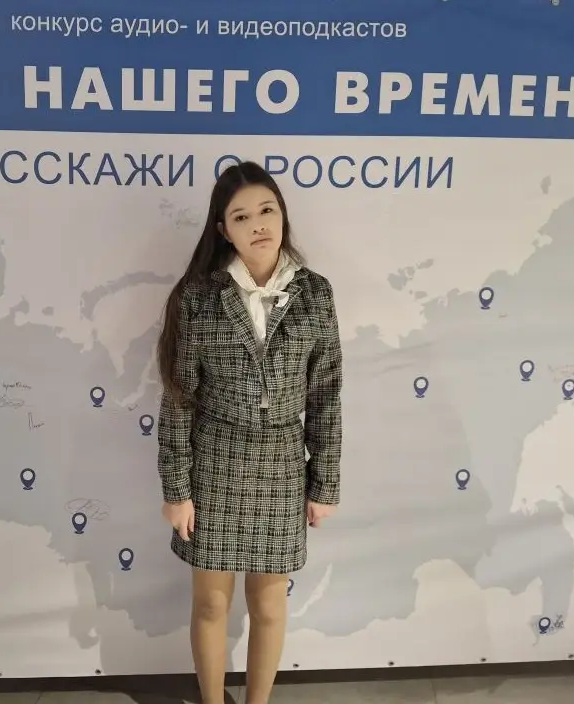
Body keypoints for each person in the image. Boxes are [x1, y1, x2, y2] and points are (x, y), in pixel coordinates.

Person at [155, 160, 343, 704]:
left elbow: (326, 395)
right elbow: (179, 399)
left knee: (269, 605)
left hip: (282, 467)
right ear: (223, 230)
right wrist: (176, 489)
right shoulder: (198, 297)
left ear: (283, 215)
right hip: (214, 465)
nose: (258, 224)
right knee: (211, 603)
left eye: (267, 210)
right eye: (241, 216)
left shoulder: (315, 294)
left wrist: (324, 483)